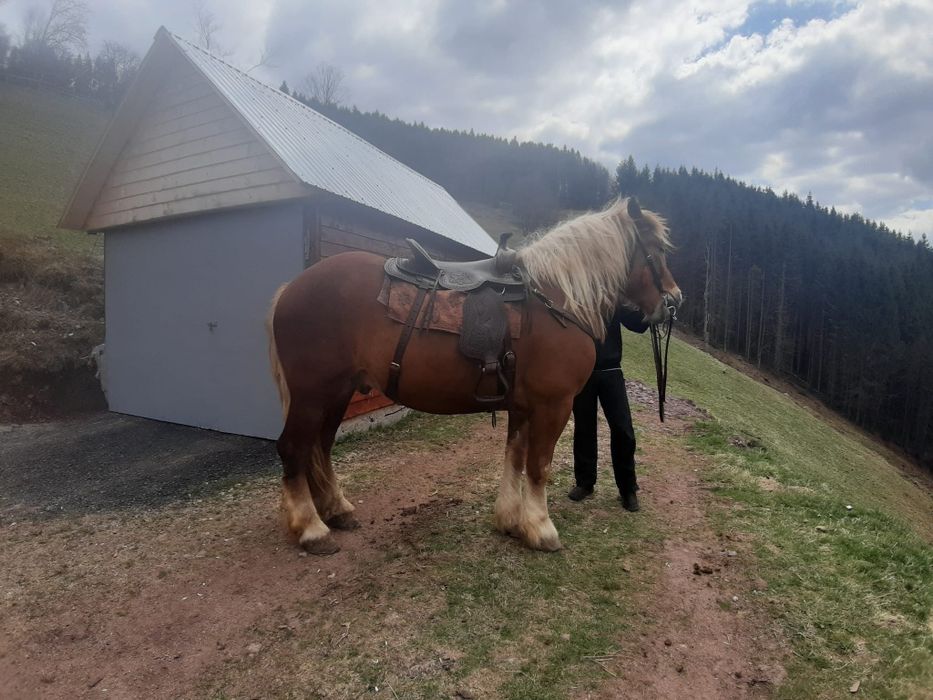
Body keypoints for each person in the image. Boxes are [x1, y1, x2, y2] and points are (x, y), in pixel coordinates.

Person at [567, 305, 649, 511]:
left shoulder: (612, 299)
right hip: (583, 372)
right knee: (584, 428)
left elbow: (637, 324)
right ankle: (585, 482)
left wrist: (652, 312)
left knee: (623, 429)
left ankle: (627, 488)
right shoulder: (577, 299)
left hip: (611, 370)